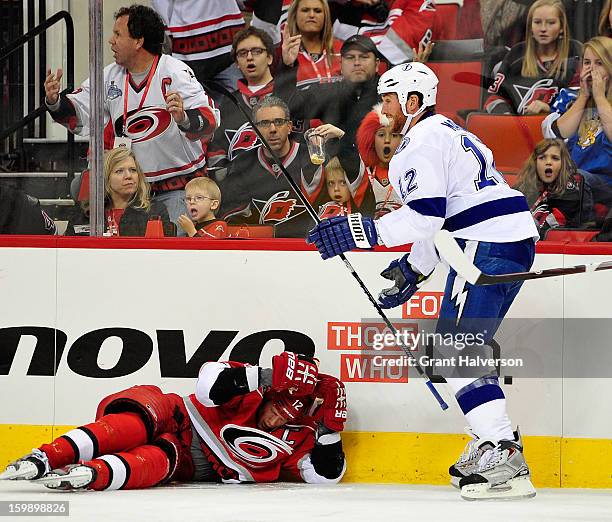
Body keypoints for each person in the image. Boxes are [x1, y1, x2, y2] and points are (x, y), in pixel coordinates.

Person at [307, 62, 539, 500]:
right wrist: (415, 266)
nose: (383, 107)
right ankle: (490, 439)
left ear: (413, 102)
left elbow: (427, 215)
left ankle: (503, 451)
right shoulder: (450, 133)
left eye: (390, 99)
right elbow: (443, 218)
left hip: (485, 243)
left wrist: (359, 232)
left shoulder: (418, 141)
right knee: (460, 347)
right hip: (508, 240)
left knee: (456, 350)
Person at [0, 351, 347, 490]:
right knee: (138, 419)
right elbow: (209, 383)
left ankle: (93, 474)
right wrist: (266, 374)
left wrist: (330, 430)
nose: (279, 414)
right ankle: (50, 454)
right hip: (179, 414)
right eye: (282, 400)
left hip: (187, 460)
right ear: (276, 388)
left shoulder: (301, 436)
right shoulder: (253, 385)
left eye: (294, 407)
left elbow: (325, 478)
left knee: (157, 460)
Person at [43, 4, 220, 229]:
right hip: (131, 194)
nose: (111, 41)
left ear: (138, 41)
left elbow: (211, 119)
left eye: (118, 34)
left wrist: (184, 117)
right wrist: (55, 100)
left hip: (177, 188)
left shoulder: (174, 72)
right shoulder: (109, 76)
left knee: (174, 253)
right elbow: (80, 113)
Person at [219, 97, 337, 238]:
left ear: (289, 127)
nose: (273, 129)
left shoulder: (314, 158)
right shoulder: (241, 164)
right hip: (261, 249)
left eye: (279, 122)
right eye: (264, 123)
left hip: (310, 247)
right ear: (254, 130)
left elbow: (335, 204)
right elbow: (234, 217)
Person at [276, 34, 381, 178]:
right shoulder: (331, 93)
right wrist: (287, 68)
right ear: (341, 65)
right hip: (339, 181)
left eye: (364, 57)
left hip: (380, 174)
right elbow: (285, 108)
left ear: (377, 64)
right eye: (350, 58)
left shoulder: (390, 94)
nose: (357, 62)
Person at [150, 0, 282, 98]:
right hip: (189, 56)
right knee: (198, 119)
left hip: (226, 53)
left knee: (239, 112)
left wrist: (263, 40)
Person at [542, 36, 612, 204]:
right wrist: (583, 97)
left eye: (599, 63)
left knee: (576, 179)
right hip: (571, 177)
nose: (591, 69)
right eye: (587, 63)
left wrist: (600, 98)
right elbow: (555, 137)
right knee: (534, 171)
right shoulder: (571, 97)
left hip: (604, 184)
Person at [484, 0, 582, 115]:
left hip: (559, 129)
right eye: (537, 22)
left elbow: (583, 99)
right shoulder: (516, 54)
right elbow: (494, 98)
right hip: (515, 127)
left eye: (551, 23)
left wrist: (550, 109)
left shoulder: (575, 52)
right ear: (530, 26)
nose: (543, 28)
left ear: (561, 27)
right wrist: (507, 118)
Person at [207, 27, 281, 176]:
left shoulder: (286, 94)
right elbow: (216, 151)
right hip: (241, 191)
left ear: (270, 58)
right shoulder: (228, 104)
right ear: (237, 63)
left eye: (256, 51)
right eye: (242, 53)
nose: (249, 57)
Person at [515, 139, 593, 238]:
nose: (548, 162)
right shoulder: (520, 190)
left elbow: (544, 230)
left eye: (555, 158)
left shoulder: (570, 193)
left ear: (563, 163)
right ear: (534, 162)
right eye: (542, 157)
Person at [329, 0, 436, 65]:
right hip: (341, 85)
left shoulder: (421, 4)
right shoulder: (350, 5)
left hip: (389, 85)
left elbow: (394, 56)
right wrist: (351, 5)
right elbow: (321, 47)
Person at [102, 148, 173, 237]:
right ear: (106, 177)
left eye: (133, 170)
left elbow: (164, 249)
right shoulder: (88, 213)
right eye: (119, 171)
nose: (128, 176)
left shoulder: (155, 211)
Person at [281, 0, 343, 90]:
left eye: (317, 11)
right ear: (295, 15)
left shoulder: (342, 49)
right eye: (305, 10)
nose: (311, 15)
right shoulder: (284, 50)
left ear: (326, 16)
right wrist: (286, 65)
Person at [356, 103, 403, 218]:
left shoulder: (412, 172)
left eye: (394, 135)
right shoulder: (361, 173)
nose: (387, 140)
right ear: (370, 139)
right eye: (381, 135)